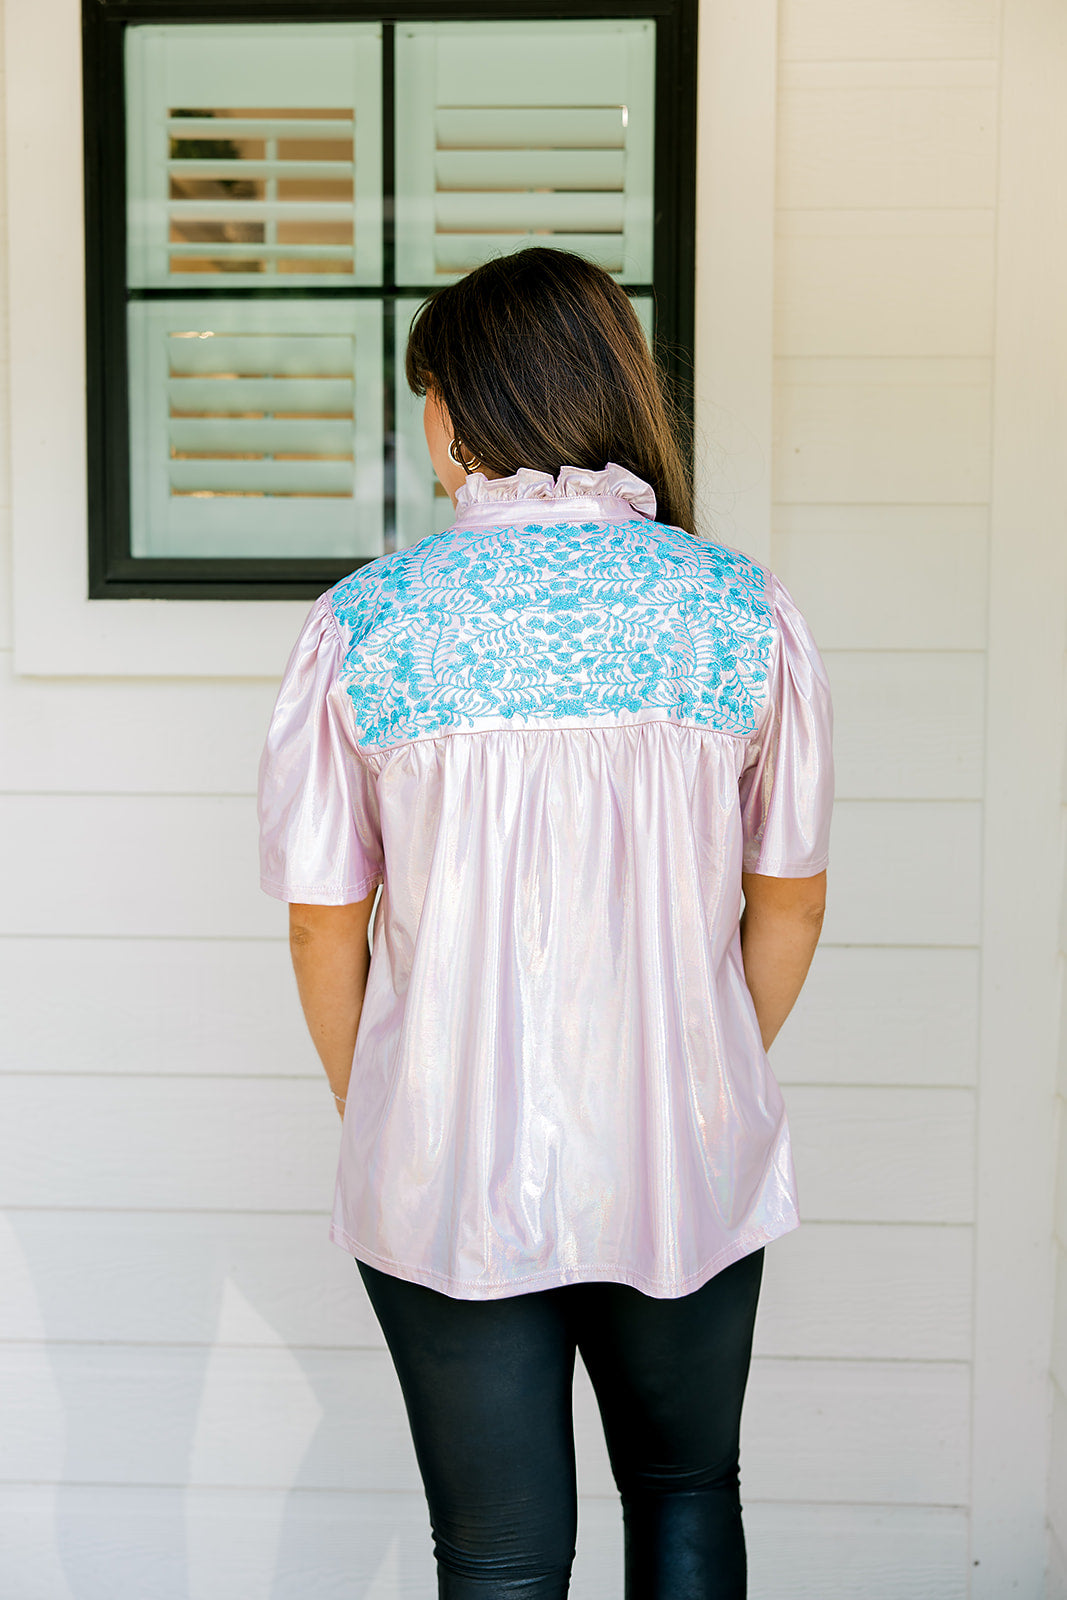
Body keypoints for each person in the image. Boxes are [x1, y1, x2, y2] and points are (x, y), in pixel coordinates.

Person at [257, 247, 834, 1599]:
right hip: (683, 1152)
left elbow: (323, 932)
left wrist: (388, 1108)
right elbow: (792, 904)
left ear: (460, 408)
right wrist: (698, 1067)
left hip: (444, 1161)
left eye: (426, 398)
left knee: (501, 1558)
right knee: (687, 1492)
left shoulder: (368, 624)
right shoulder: (740, 611)